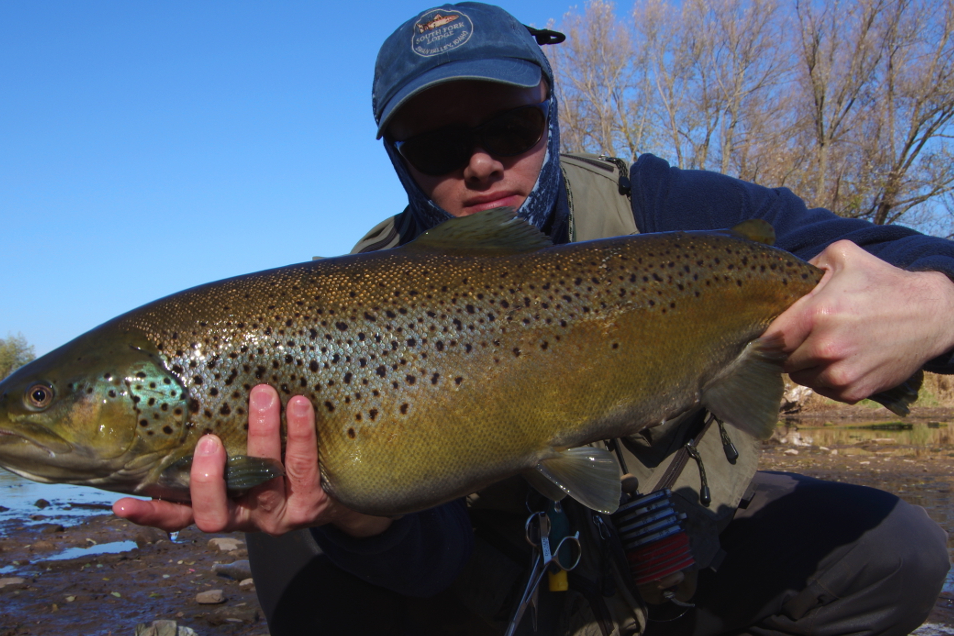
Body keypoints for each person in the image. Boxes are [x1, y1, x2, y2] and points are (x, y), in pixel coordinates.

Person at [115, 3, 954, 635]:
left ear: (548, 110)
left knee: (896, 550)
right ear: (397, 160)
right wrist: (359, 515)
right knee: (297, 542)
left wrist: (931, 306)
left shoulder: (668, 211)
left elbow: (917, 259)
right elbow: (430, 553)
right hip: (487, 583)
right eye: (437, 148)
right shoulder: (359, 298)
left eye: (507, 126)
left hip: (662, 546)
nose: (479, 163)